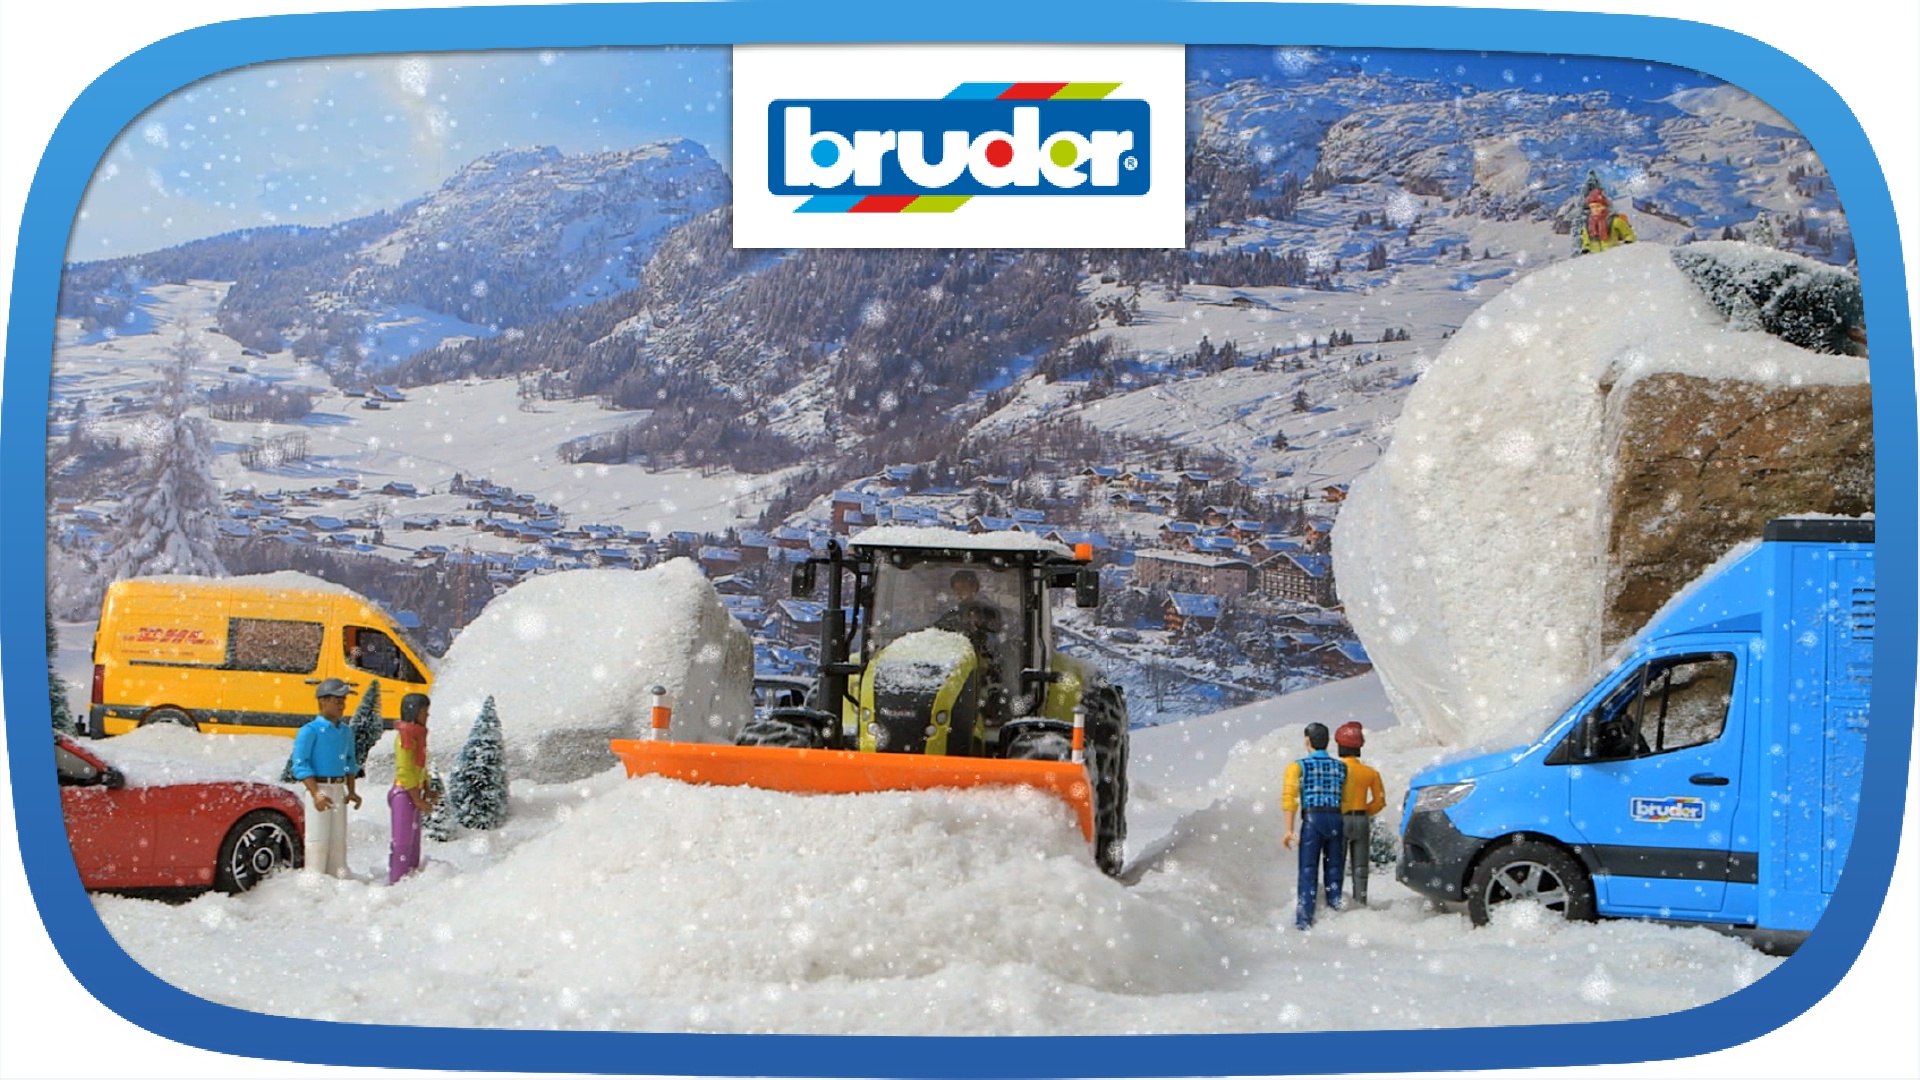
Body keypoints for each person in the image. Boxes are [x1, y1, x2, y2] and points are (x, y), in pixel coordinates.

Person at [290, 678, 362, 878]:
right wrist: (316, 793)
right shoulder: (309, 731)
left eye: (343, 700)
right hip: (319, 786)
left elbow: (350, 761)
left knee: (338, 838)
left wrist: (351, 790)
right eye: (337, 700)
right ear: (323, 701)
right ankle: (314, 876)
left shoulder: (345, 732)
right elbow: (301, 764)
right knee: (318, 838)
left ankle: (338, 874)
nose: (342, 705)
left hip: (339, 788)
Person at [1282, 722, 1347, 929]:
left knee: (1308, 870)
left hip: (1313, 820)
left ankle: (1304, 919)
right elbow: (1346, 798)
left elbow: (1290, 798)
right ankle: (1336, 913)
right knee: (1335, 869)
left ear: (1307, 740)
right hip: (1336, 819)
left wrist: (1289, 829)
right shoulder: (1341, 767)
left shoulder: (1298, 766)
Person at [1334, 721, 1387, 908]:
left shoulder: (1335, 771)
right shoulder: (1370, 773)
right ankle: (1360, 901)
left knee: (1337, 865)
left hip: (1340, 819)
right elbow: (1380, 801)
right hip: (1361, 819)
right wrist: (1364, 811)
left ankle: (1336, 900)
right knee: (1361, 867)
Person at [389, 692, 436, 884]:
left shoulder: (417, 737)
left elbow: (420, 768)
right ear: (414, 712)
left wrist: (427, 787)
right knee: (402, 842)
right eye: (424, 711)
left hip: (414, 792)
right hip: (404, 793)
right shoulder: (406, 738)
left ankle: (411, 876)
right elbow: (405, 771)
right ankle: (397, 879)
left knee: (414, 842)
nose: (427, 715)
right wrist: (416, 798)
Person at [1578, 188, 1636, 254]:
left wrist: (1629, 242)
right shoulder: (1588, 224)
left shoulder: (1614, 220)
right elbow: (1586, 238)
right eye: (1592, 207)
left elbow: (1628, 233)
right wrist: (1586, 248)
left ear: (1604, 206)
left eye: (1598, 206)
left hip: (1613, 253)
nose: (1595, 210)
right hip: (1595, 255)